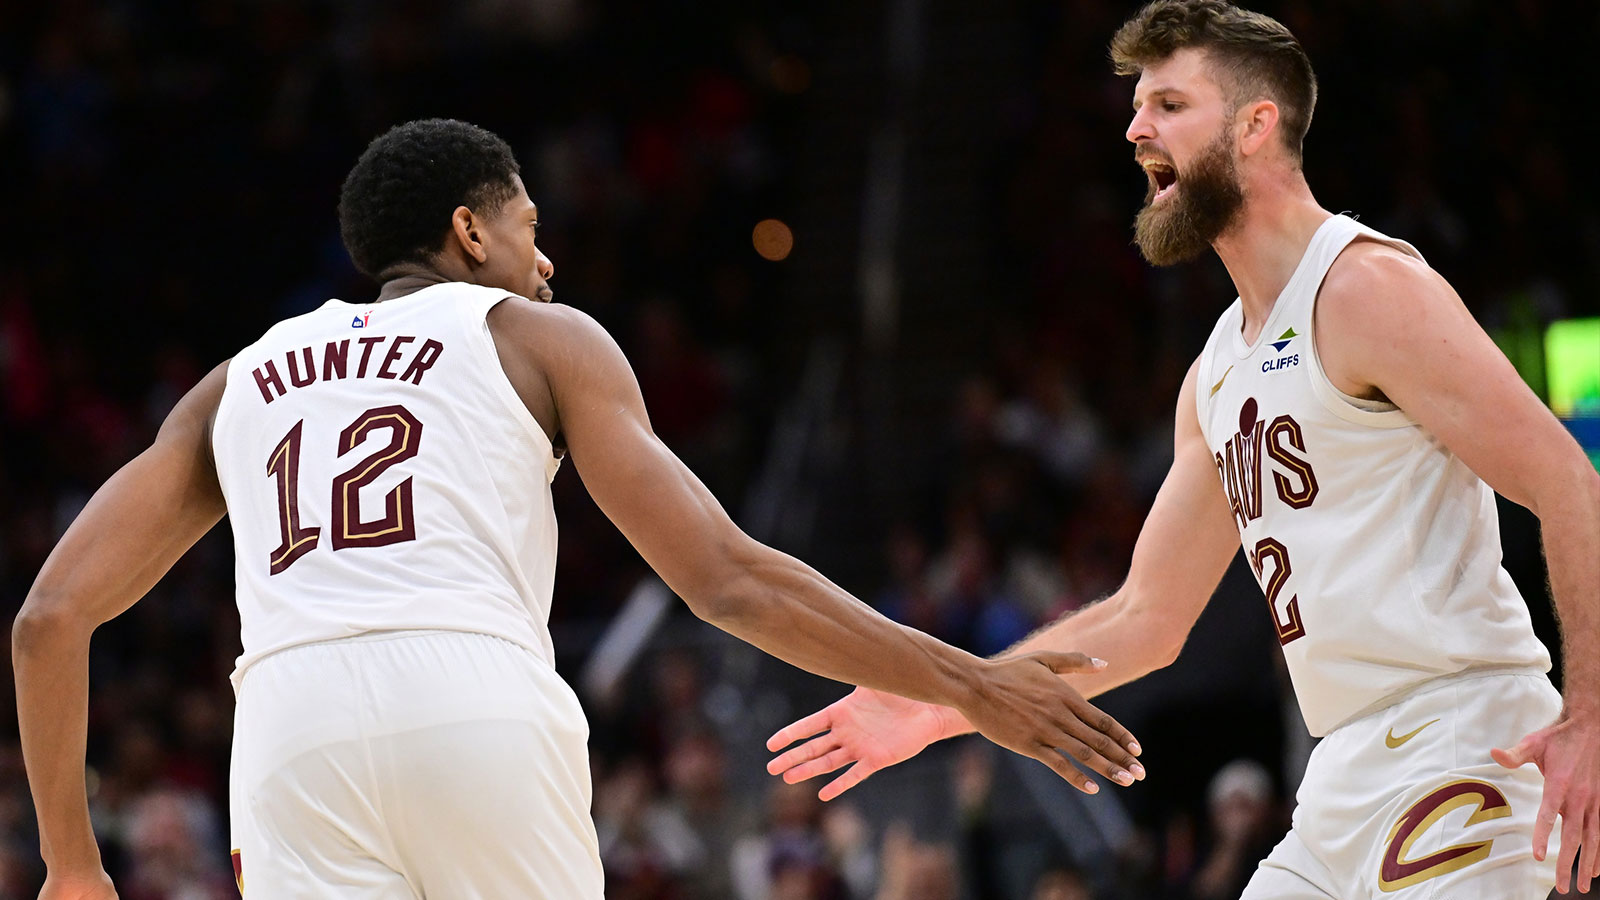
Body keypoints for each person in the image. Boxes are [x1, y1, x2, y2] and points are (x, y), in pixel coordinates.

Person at [10, 118, 1145, 899]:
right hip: (472, 695)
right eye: (528, 229)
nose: (546, 263)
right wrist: (965, 681)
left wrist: (71, 860)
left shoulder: (237, 379)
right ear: (468, 232)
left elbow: (48, 619)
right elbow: (725, 578)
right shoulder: (538, 336)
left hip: (287, 729)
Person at [766, 2, 1600, 897]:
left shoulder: (1365, 287)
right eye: (1136, 106)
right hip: (1341, 773)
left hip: (1461, 734)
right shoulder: (1215, 374)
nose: (1134, 129)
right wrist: (945, 701)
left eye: (1168, 103)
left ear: (1254, 124)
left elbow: (1568, 480)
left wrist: (1590, 711)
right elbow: (1144, 622)